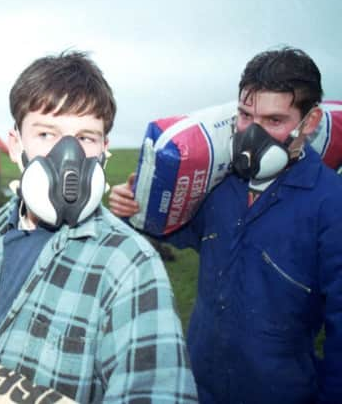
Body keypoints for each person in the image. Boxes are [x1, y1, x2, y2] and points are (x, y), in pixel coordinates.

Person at [0, 51, 197, 403]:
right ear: (17, 146)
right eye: (47, 133)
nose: (68, 154)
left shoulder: (129, 265)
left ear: (103, 150)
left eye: (86, 138)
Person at [108, 47, 342, 404]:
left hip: (280, 393)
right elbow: (177, 229)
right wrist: (133, 206)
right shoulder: (223, 183)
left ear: (308, 123)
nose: (252, 135)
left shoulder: (331, 203)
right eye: (246, 116)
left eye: (274, 120)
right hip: (197, 384)